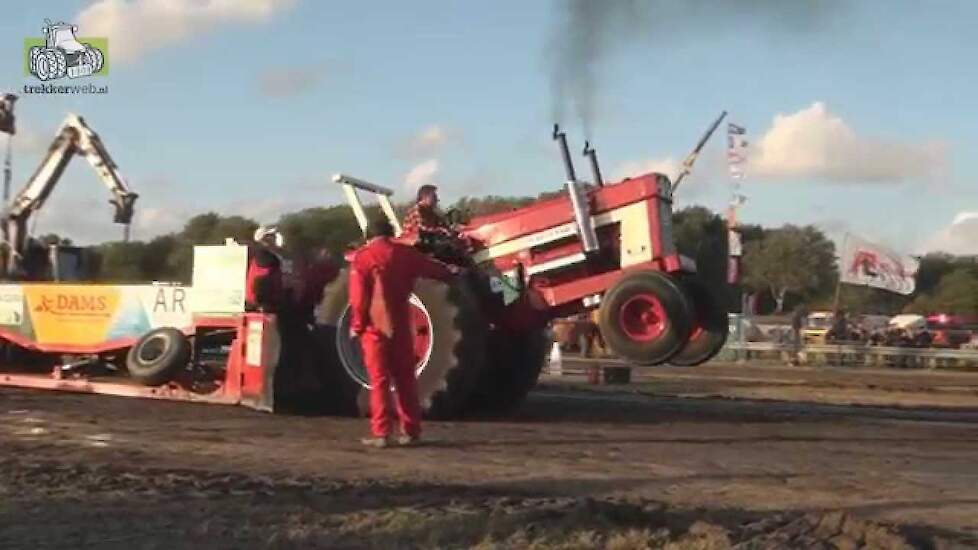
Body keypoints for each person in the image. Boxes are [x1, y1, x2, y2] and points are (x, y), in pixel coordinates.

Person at [349, 217, 459, 448]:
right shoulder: (405, 254)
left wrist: (357, 326)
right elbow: (432, 268)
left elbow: (359, 300)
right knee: (405, 379)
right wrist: (451, 271)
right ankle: (411, 430)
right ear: (390, 233)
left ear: (369, 236)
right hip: (401, 323)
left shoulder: (363, 258)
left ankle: (381, 433)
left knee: (379, 380)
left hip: (375, 327)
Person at [245, 225, 288, 313]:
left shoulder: (262, 254)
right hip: (263, 303)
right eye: (271, 237)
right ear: (265, 239)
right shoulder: (263, 256)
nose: (274, 239)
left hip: (262, 301)